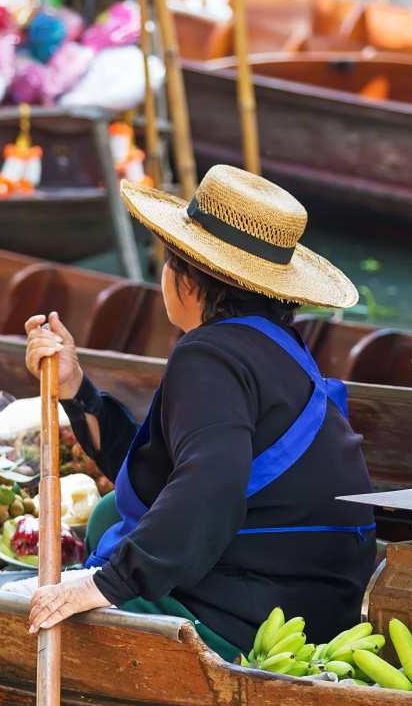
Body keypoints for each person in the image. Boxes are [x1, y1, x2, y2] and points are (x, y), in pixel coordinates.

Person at [22, 165, 377, 660]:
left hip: (256, 619)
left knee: (104, 543)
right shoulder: (278, 349)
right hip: (322, 603)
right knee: (108, 514)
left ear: (188, 282)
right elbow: (158, 472)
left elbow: (211, 485)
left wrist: (102, 586)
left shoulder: (207, 355)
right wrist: (75, 388)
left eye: (168, 264)